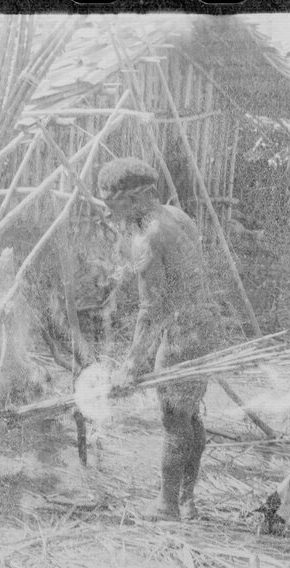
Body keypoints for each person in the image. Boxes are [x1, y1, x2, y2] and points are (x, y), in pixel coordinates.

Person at [97, 157, 223, 521]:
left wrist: (129, 367)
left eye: (112, 206)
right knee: (188, 416)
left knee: (172, 421)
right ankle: (188, 500)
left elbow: (151, 310)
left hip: (183, 334)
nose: (110, 215)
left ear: (134, 198)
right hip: (207, 325)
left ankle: (167, 504)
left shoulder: (147, 237)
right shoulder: (176, 216)